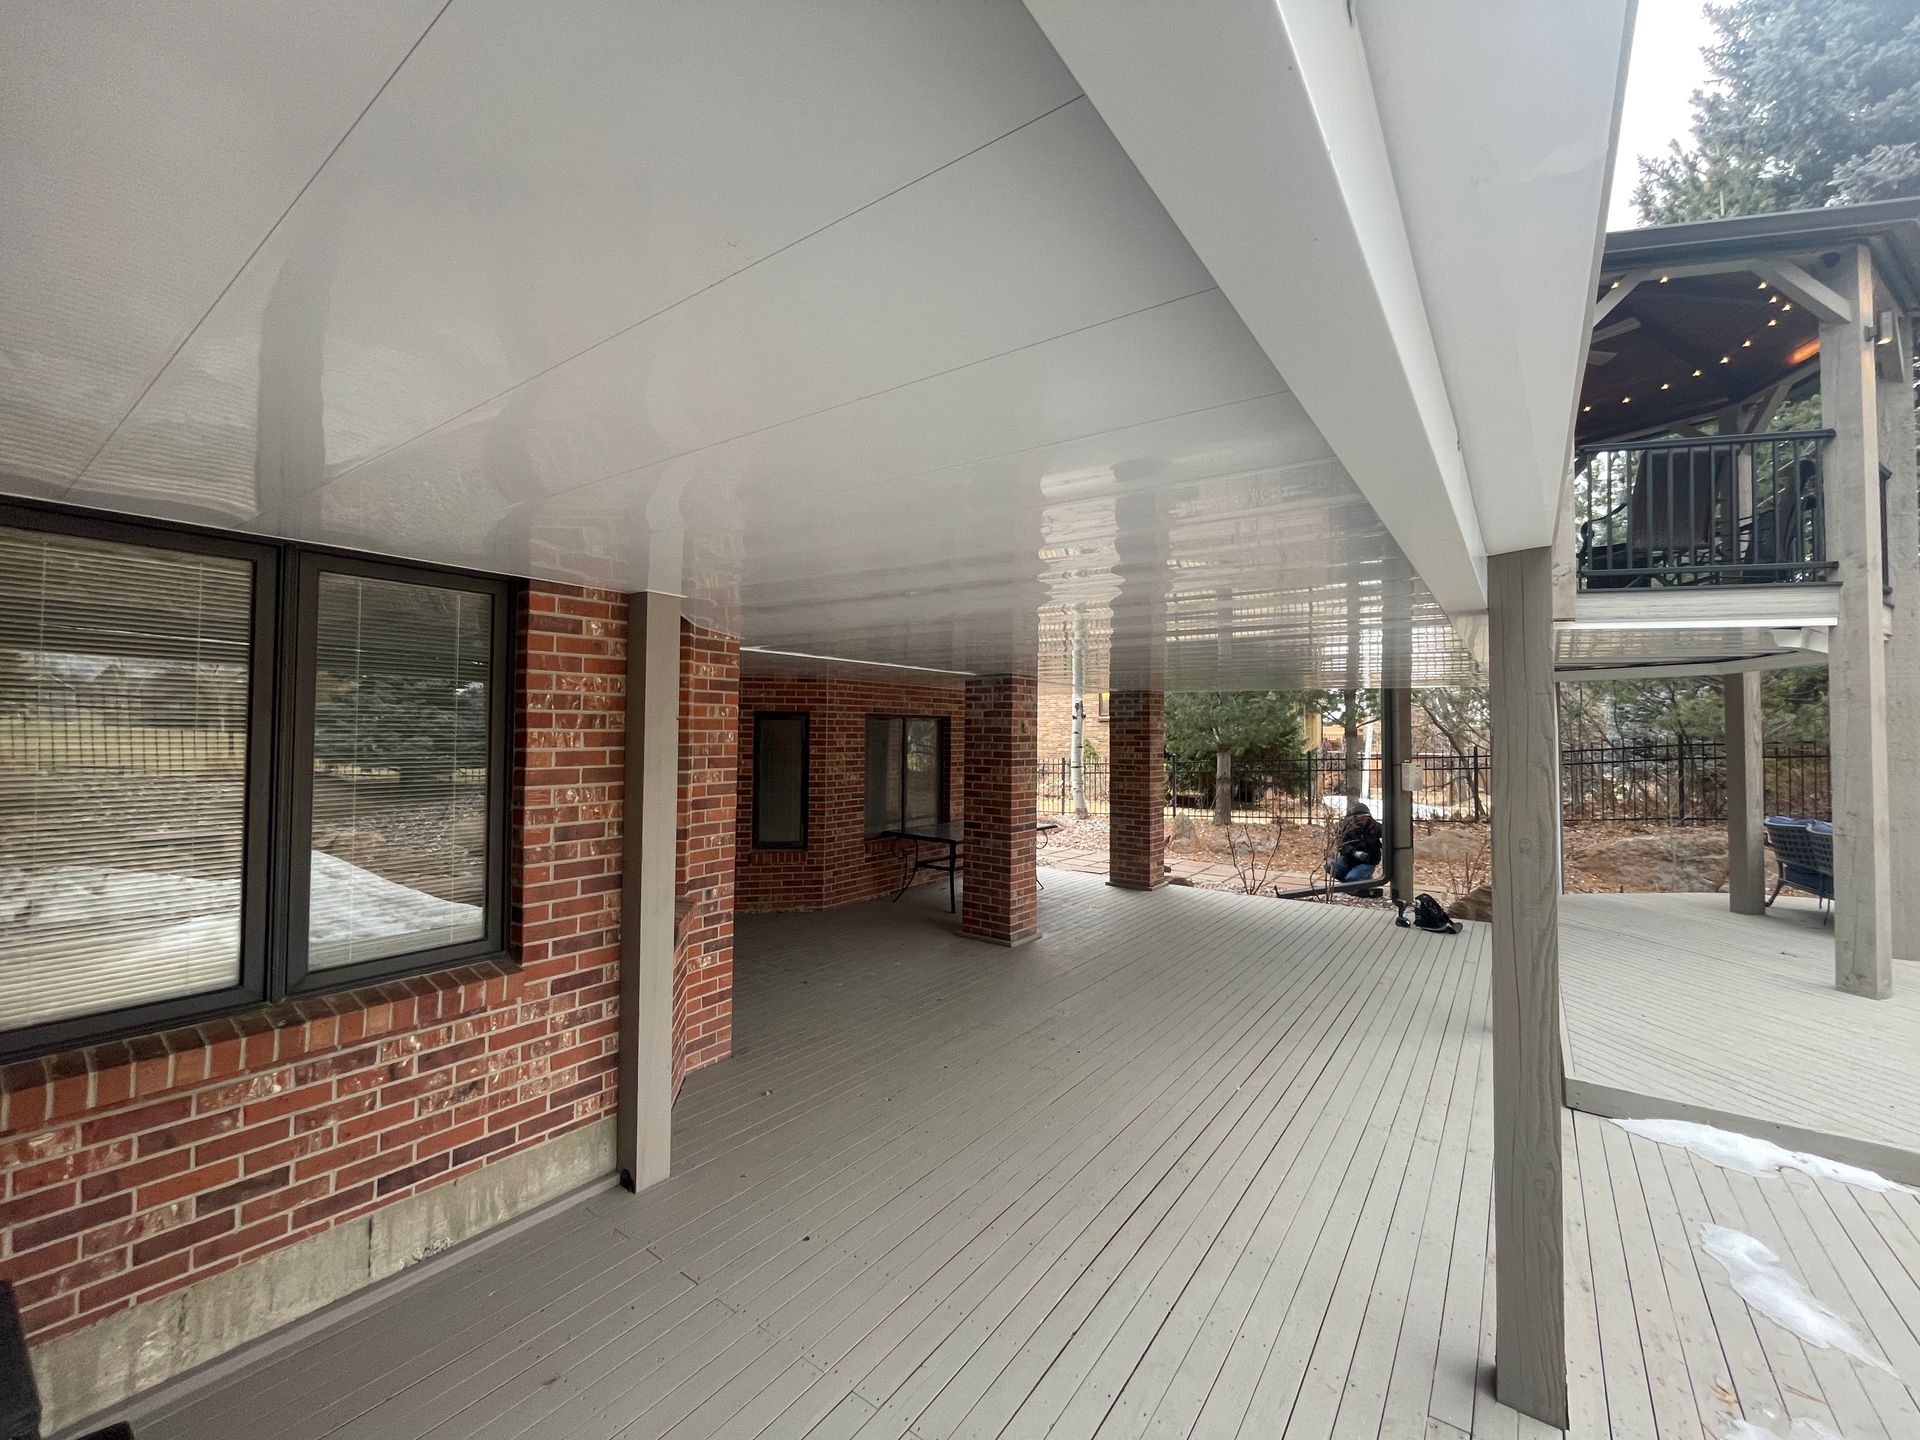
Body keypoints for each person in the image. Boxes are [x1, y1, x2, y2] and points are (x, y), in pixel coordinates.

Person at [1326, 800, 1383, 892]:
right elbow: (1341, 845)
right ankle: (1351, 883)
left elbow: (1385, 844)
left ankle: (1357, 880)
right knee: (1330, 867)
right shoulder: (1347, 828)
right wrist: (1354, 853)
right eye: (1359, 817)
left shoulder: (1378, 828)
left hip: (1367, 862)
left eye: (1365, 817)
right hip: (1348, 859)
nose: (1362, 819)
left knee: (1352, 878)